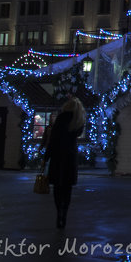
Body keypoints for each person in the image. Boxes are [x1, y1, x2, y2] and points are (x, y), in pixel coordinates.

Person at [44, 97, 86, 230]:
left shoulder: (61, 118)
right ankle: (64, 214)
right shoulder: (78, 120)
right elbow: (78, 134)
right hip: (70, 156)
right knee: (67, 189)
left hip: (58, 155)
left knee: (57, 187)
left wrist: (46, 157)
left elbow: (53, 139)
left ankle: (58, 212)